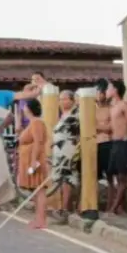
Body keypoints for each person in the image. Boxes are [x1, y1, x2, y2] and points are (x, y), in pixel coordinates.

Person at [106, 80, 127, 215]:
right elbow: (111, 127)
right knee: (111, 174)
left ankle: (114, 208)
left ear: (115, 90)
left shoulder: (125, 106)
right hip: (115, 143)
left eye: (109, 88)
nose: (107, 91)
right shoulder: (113, 107)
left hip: (124, 142)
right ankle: (117, 206)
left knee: (122, 177)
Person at [17, 99, 49, 229]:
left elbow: (38, 142)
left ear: (29, 109)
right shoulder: (31, 123)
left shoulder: (37, 123)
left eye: (24, 107)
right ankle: (38, 218)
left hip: (35, 160)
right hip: (28, 159)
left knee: (40, 191)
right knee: (35, 191)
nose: (23, 110)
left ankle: (42, 220)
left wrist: (33, 161)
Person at [49, 90, 80, 221]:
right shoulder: (62, 115)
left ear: (72, 100)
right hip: (59, 150)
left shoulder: (75, 115)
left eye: (64, 99)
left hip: (68, 150)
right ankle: (61, 206)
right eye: (60, 99)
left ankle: (65, 208)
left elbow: (75, 135)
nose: (61, 102)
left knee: (67, 179)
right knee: (60, 180)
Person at [95, 78, 114, 188]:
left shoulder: (111, 109)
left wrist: (95, 127)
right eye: (98, 92)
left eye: (102, 92)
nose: (99, 95)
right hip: (93, 144)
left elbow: (111, 127)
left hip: (107, 143)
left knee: (110, 177)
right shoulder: (90, 108)